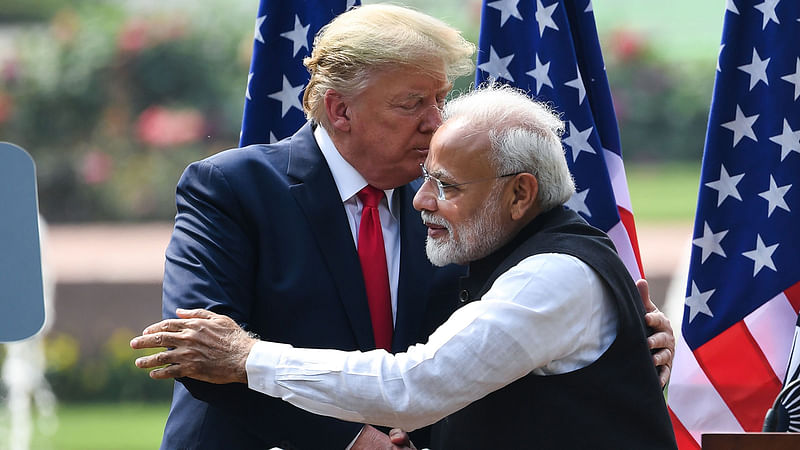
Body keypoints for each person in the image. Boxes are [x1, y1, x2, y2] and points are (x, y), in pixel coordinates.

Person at [152, 4, 674, 449]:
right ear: (340, 110)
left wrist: (621, 336)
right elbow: (199, 350)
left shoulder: (465, 197)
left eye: (441, 99)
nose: (436, 121)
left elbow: (463, 350)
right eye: (412, 104)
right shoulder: (230, 188)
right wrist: (353, 439)